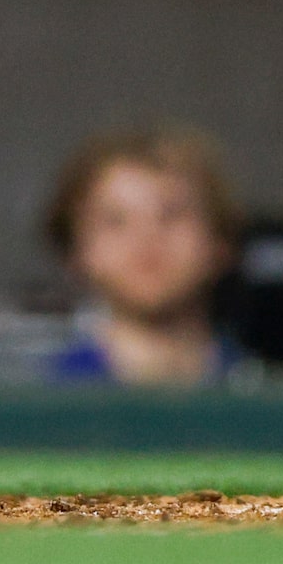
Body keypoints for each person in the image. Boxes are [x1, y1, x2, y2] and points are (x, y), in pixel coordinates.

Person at [44, 126, 243, 386]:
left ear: (221, 242)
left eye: (172, 214)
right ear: (77, 251)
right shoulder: (46, 398)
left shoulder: (268, 387)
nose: (146, 239)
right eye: (115, 221)